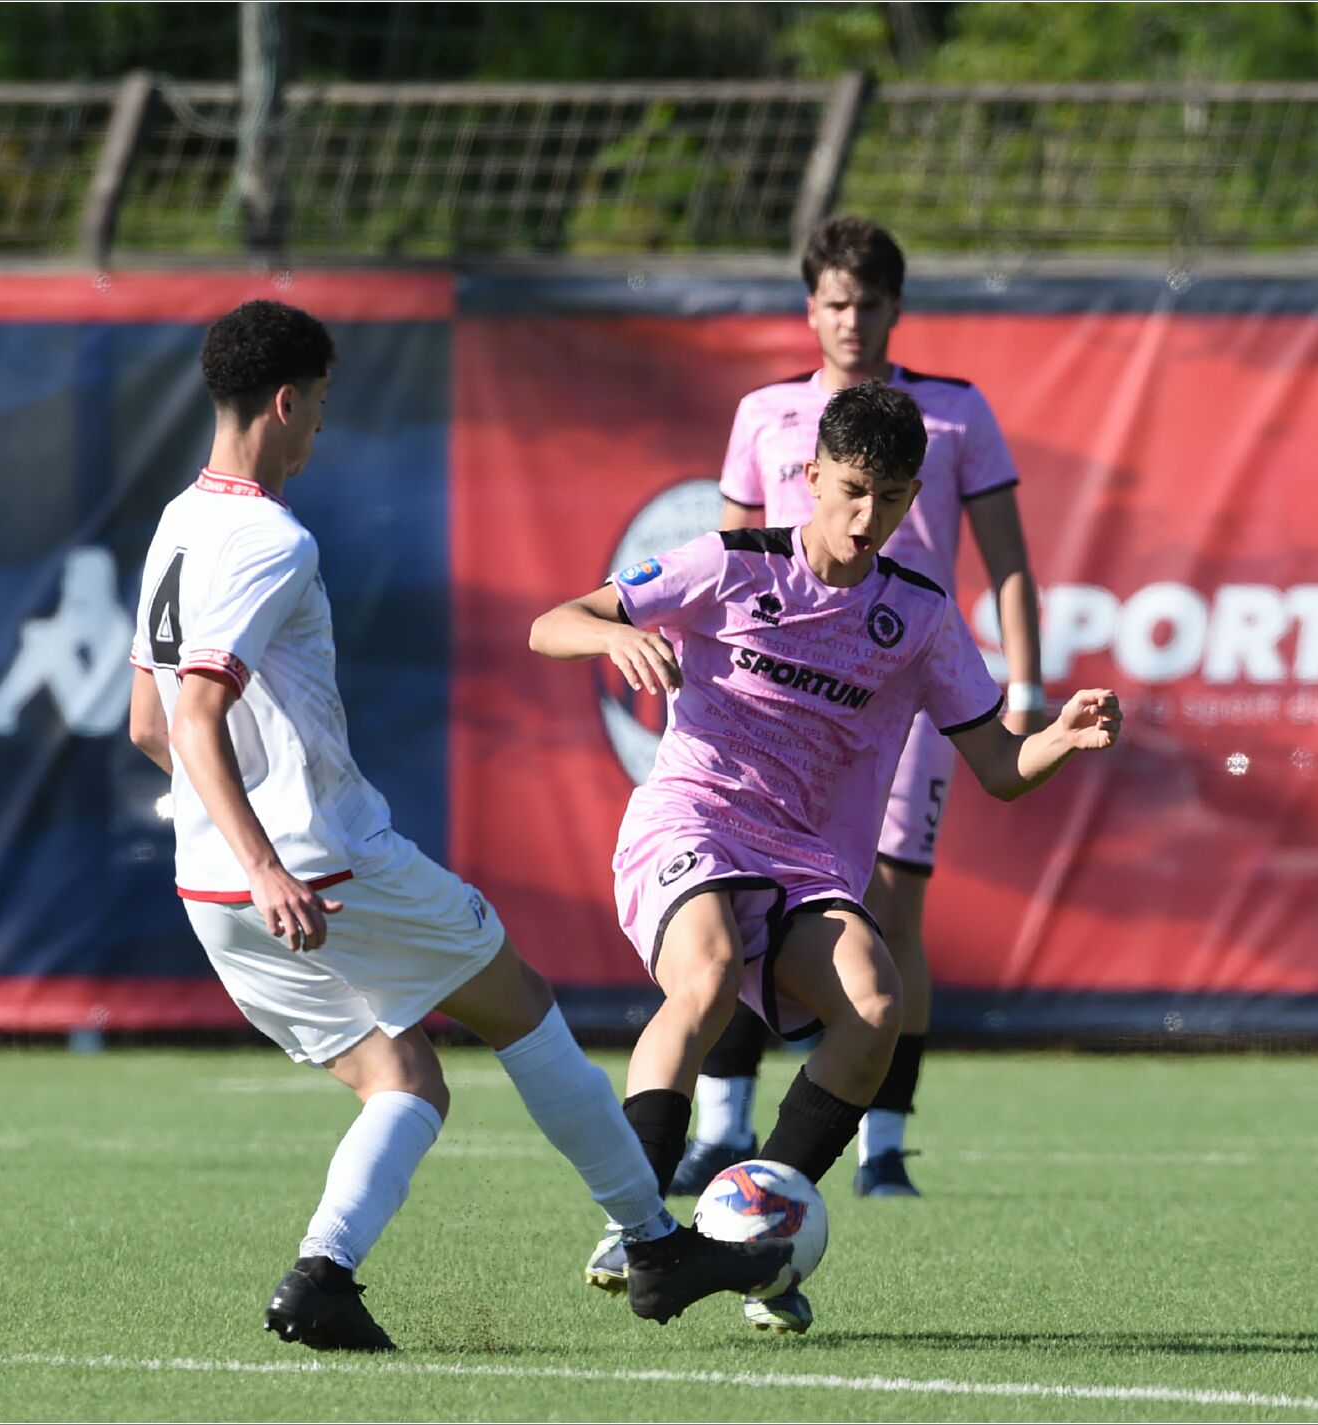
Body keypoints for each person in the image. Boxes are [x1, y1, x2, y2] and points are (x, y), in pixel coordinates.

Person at [127, 300, 791, 1353]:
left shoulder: (177, 523)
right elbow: (195, 715)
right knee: (521, 1006)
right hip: (314, 865)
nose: (322, 428)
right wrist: (270, 858)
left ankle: (321, 1280)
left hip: (209, 888)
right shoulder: (270, 537)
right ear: (286, 401)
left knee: (404, 1081)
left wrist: (236, 854)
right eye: (321, 405)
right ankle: (653, 1243)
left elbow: (147, 724)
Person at [529, 381, 1119, 1334]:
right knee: (707, 972)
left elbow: (999, 768)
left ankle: (754, 1237)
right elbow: (550, 621)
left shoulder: (918, 616)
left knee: (876, 1004)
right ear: (810, 476)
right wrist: (611, 634)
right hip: (693, 819)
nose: (865, 515)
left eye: (888, 497)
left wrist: (1059, 737)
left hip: (803, 859)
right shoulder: (728, 563)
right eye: (849, 489)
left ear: (914, 496)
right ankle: (635, 1227)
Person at [673, 216, 1046, 1203]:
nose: (850, 320)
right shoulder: (765, 412)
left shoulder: (954, 412)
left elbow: (1009, 561)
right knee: (747, 888)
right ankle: (722, 1129)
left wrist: (1025, 693)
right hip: (782, 699)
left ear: (894, 309)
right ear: (811, 309)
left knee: (890, 911)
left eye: (868, 303)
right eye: (835, 302)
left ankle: (881, 1142)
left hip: (905, 695)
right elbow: (732, 559)